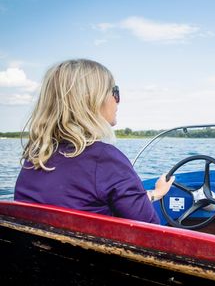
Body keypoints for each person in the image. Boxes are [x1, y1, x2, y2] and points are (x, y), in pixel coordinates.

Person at [14, 59, 173, 224]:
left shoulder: (35, 156)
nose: (117, 100)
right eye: (114, 92)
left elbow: (84, 202)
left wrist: (156, 193)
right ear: (93, 100)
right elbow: (149, 230)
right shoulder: (104, 159)